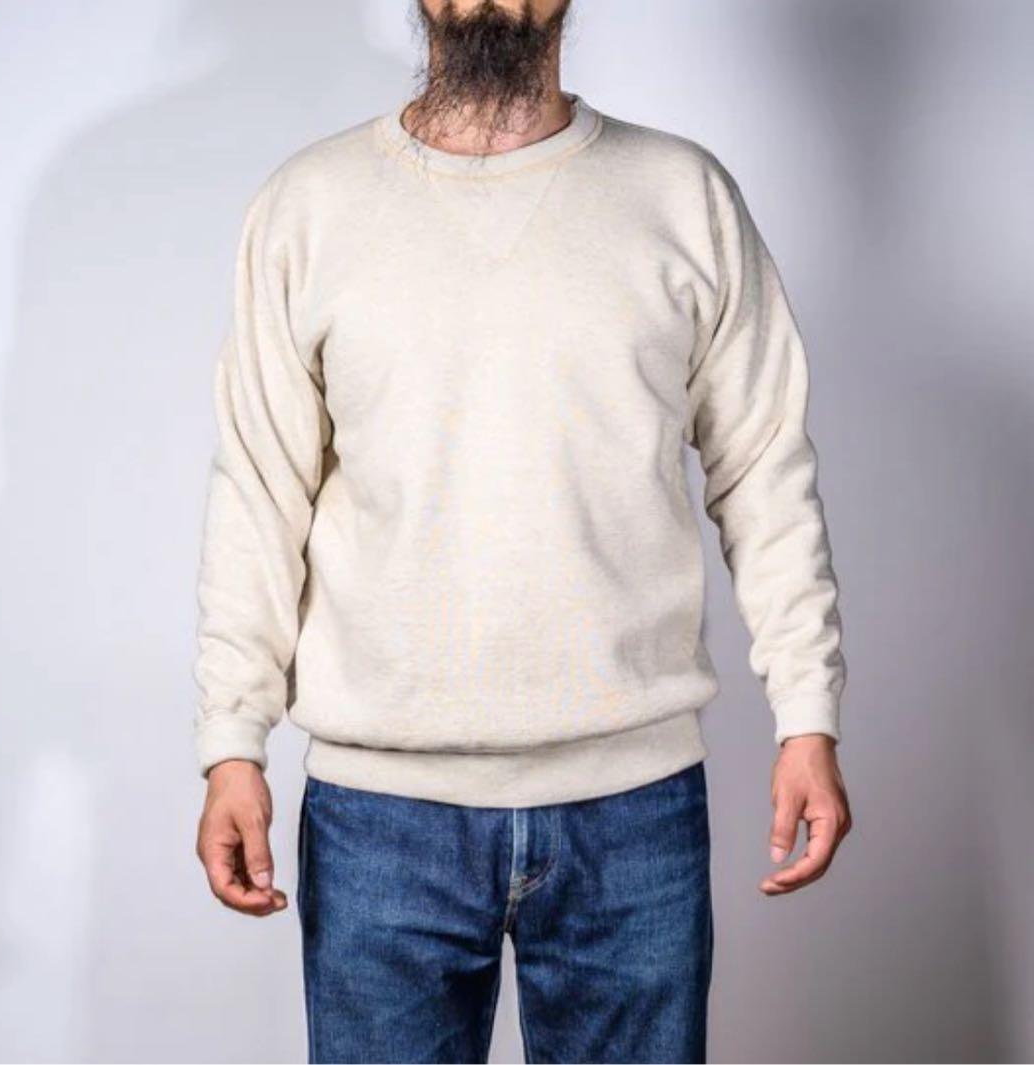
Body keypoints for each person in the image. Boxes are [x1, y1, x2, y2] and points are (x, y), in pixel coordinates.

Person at [192, 1, 853, 1061]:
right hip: (381, 813)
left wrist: (808, 715)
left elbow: (765, 471)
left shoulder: (682, 196)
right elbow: (260, 492)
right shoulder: (309, 207)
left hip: (632, 807)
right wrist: (232, 743)